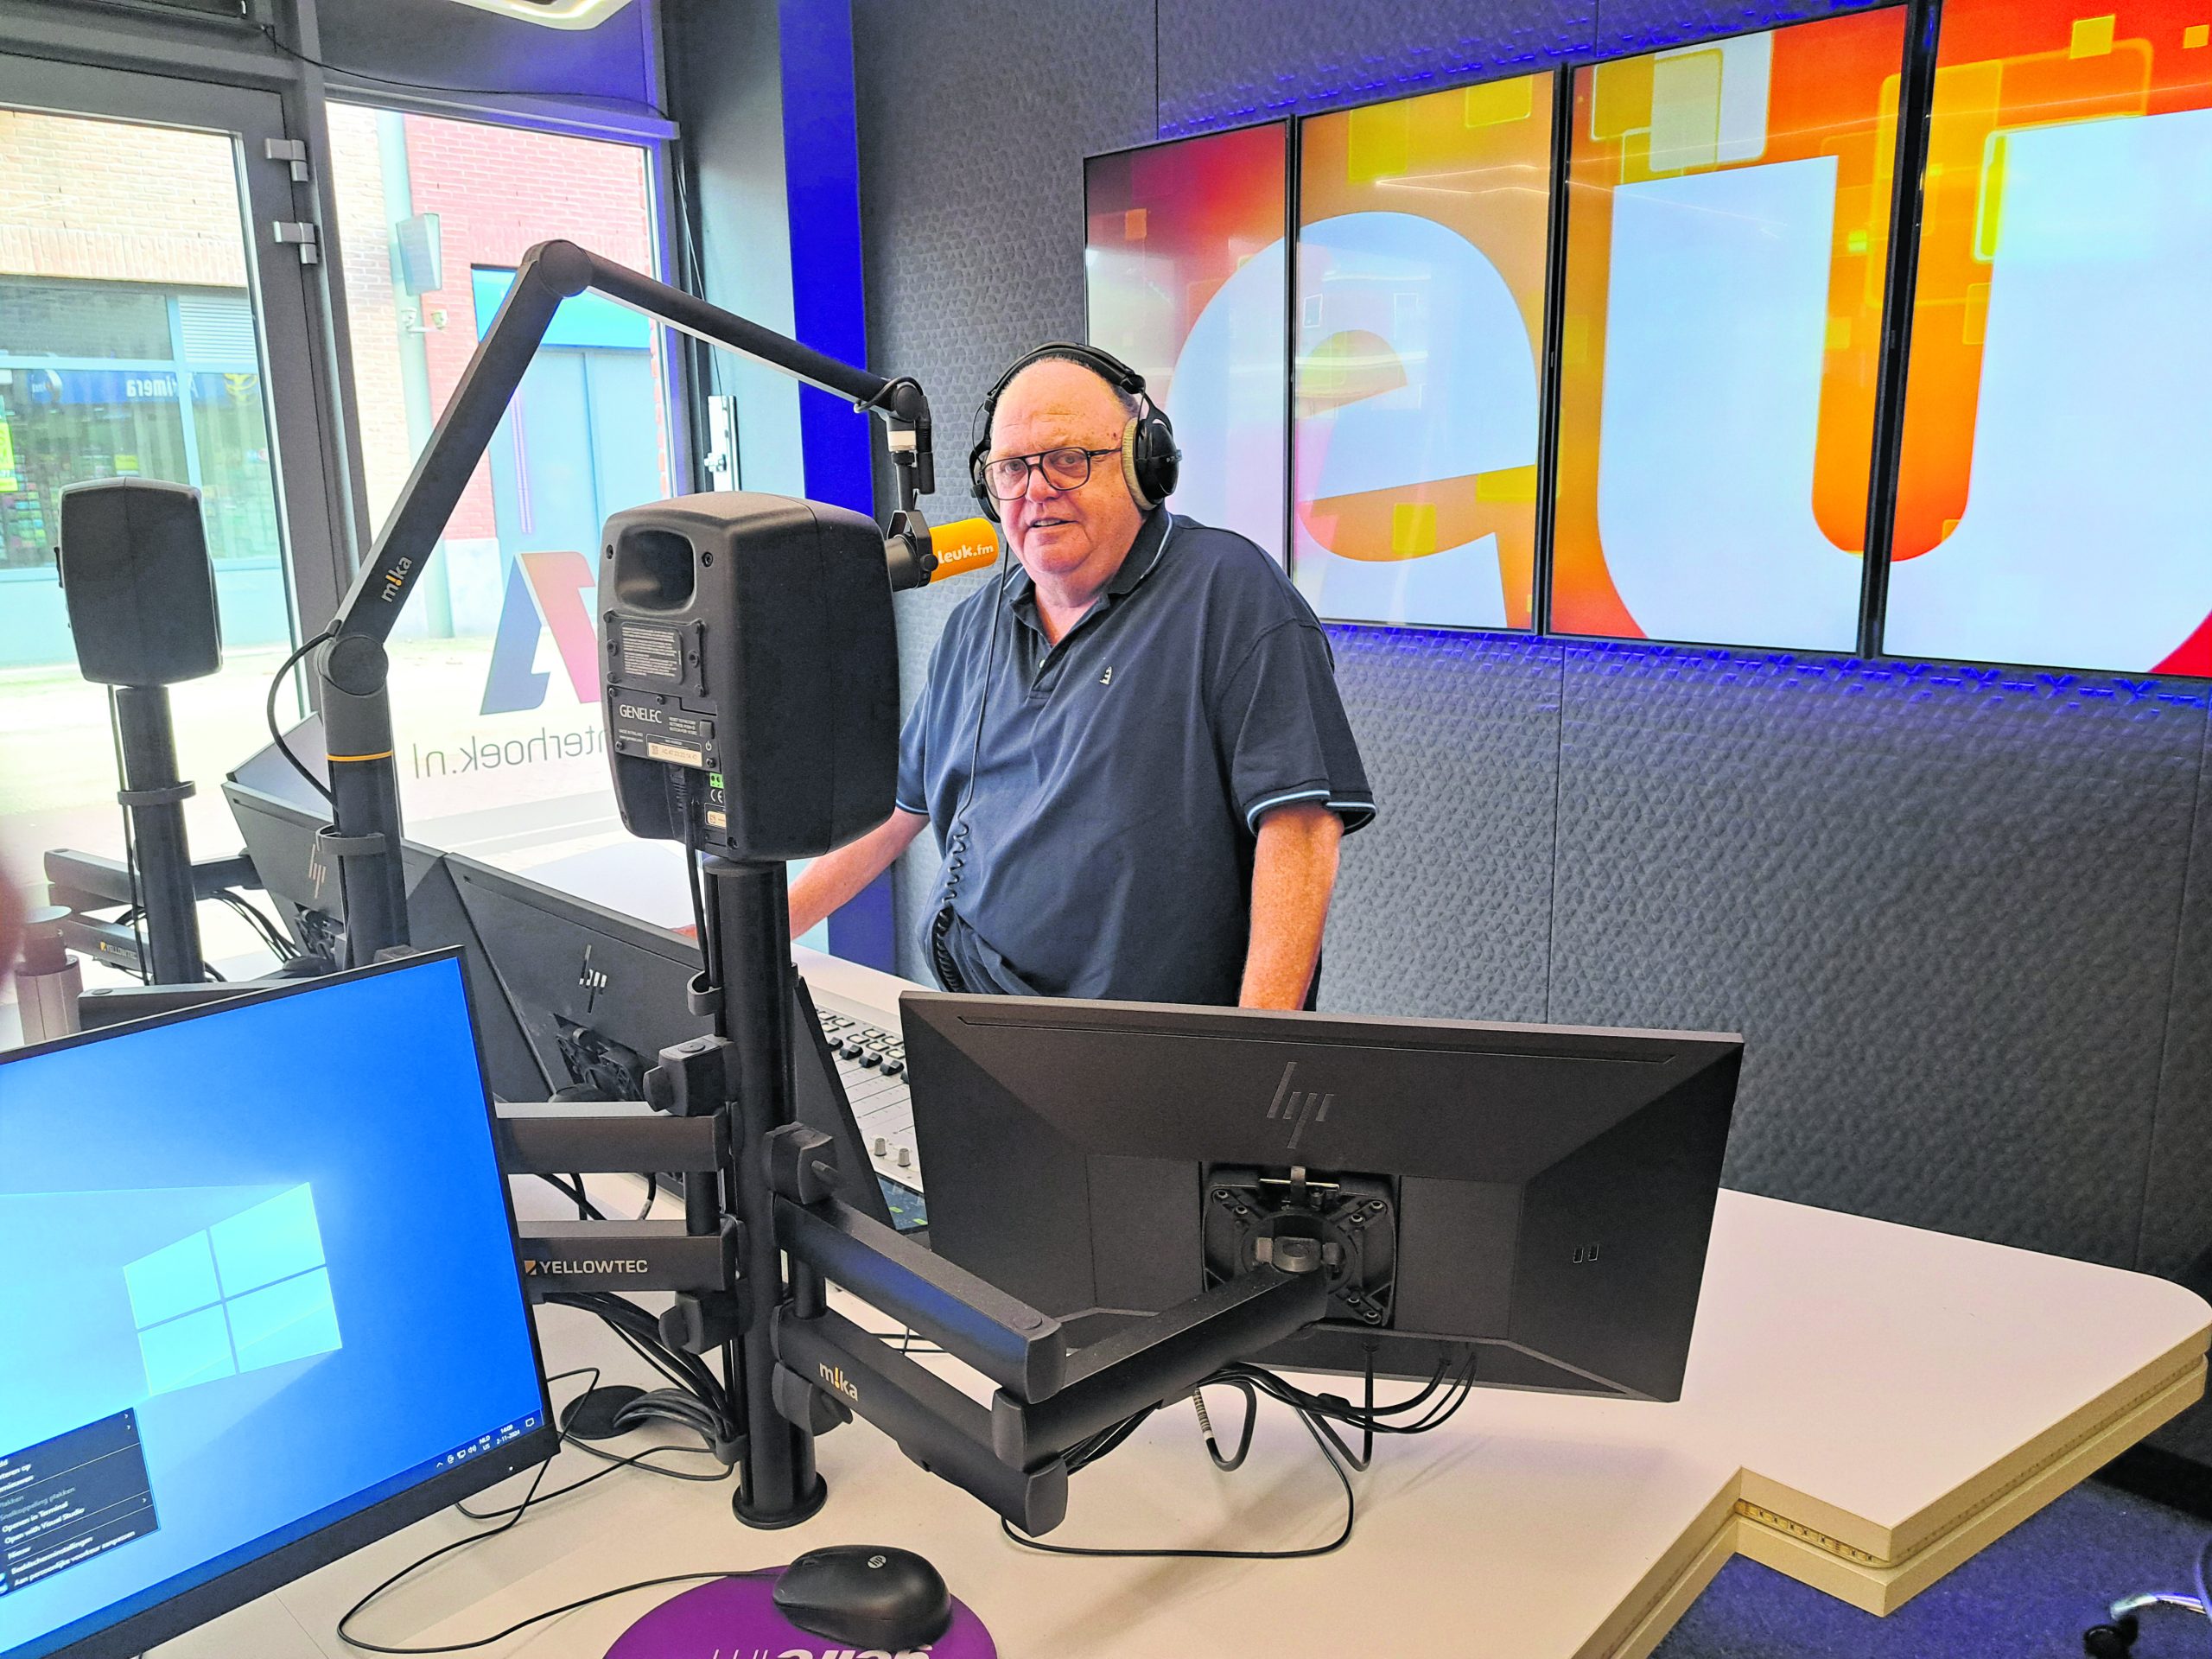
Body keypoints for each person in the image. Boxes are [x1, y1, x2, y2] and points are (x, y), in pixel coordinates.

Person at [788, 344, 1372, 1009]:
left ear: (1143, 465)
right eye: (1012, 468)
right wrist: (760, 932)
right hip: (977, 1025)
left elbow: (1301, 829)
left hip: (1145, 1049)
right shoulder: (973, 627)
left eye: (1068, 460)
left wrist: (1254, 1052)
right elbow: (897, 812)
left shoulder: (1231, 591)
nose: (1036, 491)